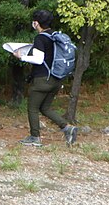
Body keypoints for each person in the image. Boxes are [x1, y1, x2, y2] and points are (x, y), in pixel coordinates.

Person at [12, 9, 77, 147]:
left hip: (42, 80)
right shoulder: (54, 37)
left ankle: (35, 137)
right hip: (56, 79)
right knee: (45, 108)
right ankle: (67, 128)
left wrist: (21, 56)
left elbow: (38, 59)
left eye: (34, 22)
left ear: (36, 23)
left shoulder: (40, 38)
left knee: (32, 108)